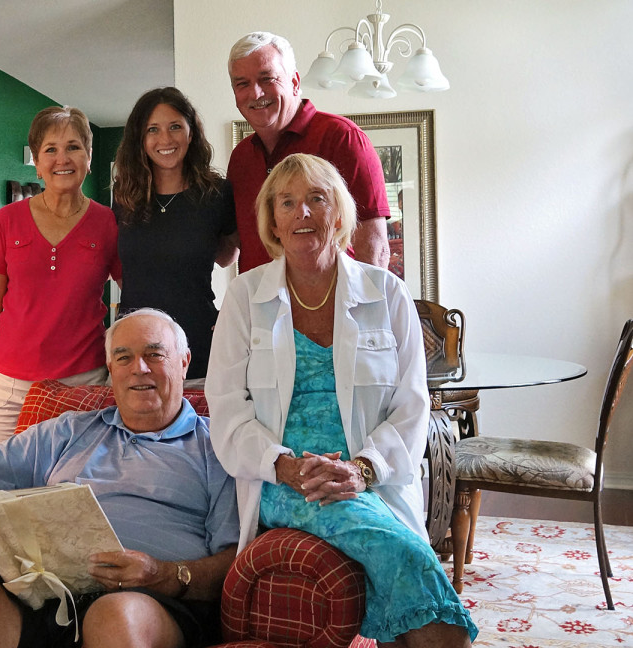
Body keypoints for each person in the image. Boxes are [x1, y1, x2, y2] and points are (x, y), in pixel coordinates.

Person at [205, 154, 477, 647]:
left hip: (370, 477)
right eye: (287, 203)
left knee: (394, 552)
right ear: (272, 221)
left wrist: (363, 469)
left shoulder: (387, 293)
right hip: (285, 480)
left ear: (340, 214)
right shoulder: (245, 298)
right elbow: (226, 411)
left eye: (316, 199)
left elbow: (413, 405)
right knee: (402, 553)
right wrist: (285, 466)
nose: (302, 213)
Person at [0, 309, 239, 648]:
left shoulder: (219, 447)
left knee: (114, 615)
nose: (139, 369)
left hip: (151, 603)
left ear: (184, 362)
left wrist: (162, 574)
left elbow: (234, 557)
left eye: (154, 354)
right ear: (110, 370)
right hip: (46, 598)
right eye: (123, 358)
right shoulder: (69, 430)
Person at [0, 105, 122, 449]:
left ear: (89, 157)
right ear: (36, 159)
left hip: (82, 383)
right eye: (51, 149)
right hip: (7, 386)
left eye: (74, 147)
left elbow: (134, 297)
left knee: (69, 490)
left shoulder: (108, 223)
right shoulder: (6, 220)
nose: (62, 158)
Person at [226, 31, 391, 272]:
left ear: (294, 82)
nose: (256, 93)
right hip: (259, 306)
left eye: (267, 79)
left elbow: (374, 249)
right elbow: (234, 248)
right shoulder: (240, 157)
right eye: (242, 83)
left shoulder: (343, 138)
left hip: (334, 306)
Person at [113, 87, 238, 383]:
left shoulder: (217, 193)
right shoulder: (124, 195)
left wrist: (235, 313)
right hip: (134, 344)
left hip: (196, 341)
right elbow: (124, 269)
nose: (165, 139)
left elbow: (230, 257)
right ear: (140, 139)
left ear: (191, 133)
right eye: (152, 130)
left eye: (175, 127)